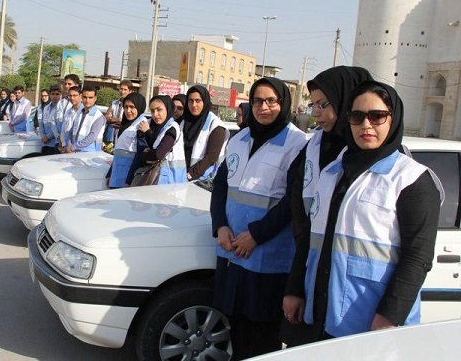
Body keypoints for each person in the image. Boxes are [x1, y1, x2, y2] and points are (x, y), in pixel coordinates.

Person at [285, 80, 442, 342]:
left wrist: (390, 316)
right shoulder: (333, 171)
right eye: (357, 117)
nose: (366, 125)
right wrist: (295, 290)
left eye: (377, 116)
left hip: (372, 322)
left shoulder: (411, 179)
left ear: (393, 119)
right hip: (324, 312)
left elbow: (418, 257)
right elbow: (311, 235)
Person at [210, 77, 307, 359]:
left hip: (267, 257)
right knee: (235, 326)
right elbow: (221, 186)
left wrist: (256, 235)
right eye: (257, 101)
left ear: (284, 103)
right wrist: (220, 226)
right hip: (232, 250)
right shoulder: (239, 138)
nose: (263, 107)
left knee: (263, 334)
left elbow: (293, 201)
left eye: (271, 101)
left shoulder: (298, 144)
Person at [128, 95, 187, 185]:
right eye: (152, 111)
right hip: (155, 178)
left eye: (159, 110)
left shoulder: (172, 128)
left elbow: (158, 154)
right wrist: (128, 181)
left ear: (167, 109)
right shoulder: (150, 126)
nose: (155, 114)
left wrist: (145, 154)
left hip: (170, 180)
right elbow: (140, 154)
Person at [182, 85, 229, 181]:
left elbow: (211, 157)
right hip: (181, 177)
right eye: (190, 101)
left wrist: (190, 174)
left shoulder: (215, 125)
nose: (194, 105)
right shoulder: (184, 122)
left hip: (202, 181)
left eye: (198, 101)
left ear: (205, 101)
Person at [106, 93, 147, 188]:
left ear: (139, 107)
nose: (128, 111)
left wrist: (129, 181)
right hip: (117, 174)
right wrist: (110, 174)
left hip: (129, 177)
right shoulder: (125, 125)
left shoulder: (141, 126)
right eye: (126, 107)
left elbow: (140, 156)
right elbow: (119, 152)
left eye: (132, 107)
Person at [63, 86, 105, 153]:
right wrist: (68, 144)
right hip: (74, 151)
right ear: (82, 97)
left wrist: (73, 147)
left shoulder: (98, 116)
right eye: (85, 97)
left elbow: (92, 137)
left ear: (95, 98)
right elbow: (72, 131)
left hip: (89, 153)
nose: (87, 100)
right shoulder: (79, 112)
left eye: (90, 97)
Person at [103, 79, 134, 147]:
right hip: (111, 137)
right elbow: (106, 117)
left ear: (130, 91)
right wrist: (118, 120)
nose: (122, 91)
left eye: (125, 90)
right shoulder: (114, 103)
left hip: (124, 138)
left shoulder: (132, 106)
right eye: (121, 89)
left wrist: (114, 119)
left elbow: (126, 121)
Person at [59, 86, 83, 152]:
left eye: (75, 95)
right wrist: (63, 144)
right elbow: (63, 129)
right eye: (70, 96)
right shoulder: (68, 111)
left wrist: (73, 147)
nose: (72, 98)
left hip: (78, 149)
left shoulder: (85, 112)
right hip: (66, 148)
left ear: (80, 96)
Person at [39, 86, 62, 155]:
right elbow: (41, 123)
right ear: (50, 95)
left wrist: (48, 137)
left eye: (57, 94)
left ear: (60, 95)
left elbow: (57, 126)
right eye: (53, 94)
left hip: (55, 142)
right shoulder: (46, 108)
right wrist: (43, 136)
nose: (55, 96)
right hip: (45, 143)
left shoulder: (61, 108)